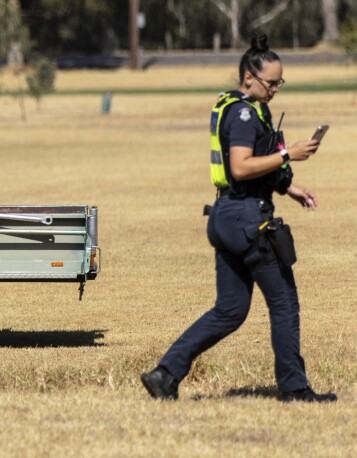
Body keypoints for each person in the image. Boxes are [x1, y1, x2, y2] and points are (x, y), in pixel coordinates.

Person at [141, 36, 337, 403]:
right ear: (249, 77)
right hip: (247, 219)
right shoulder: (245, 114)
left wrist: (290, 187)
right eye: (271, 82)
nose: (275, 89)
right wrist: (287, 154)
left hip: (226, 216)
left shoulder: (244, 107)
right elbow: (241, 166)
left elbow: (249, 172)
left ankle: (164, 373)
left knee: (230, 310)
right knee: (284, 302)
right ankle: (295, 389)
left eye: (280, 83)